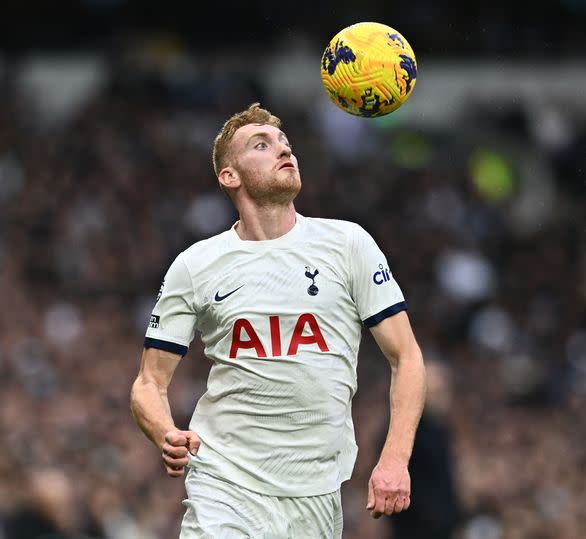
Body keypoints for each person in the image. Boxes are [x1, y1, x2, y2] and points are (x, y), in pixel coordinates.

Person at [130, 103, 427, 538]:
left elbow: (407, 358)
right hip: (226, 482)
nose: (283, 151)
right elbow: (148, 384)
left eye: (285, 144)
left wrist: (396, 458)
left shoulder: (347, 244)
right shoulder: (196, 266)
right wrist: (165, 432)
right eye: (262, 145)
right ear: (229, 176)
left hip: (317, 493)